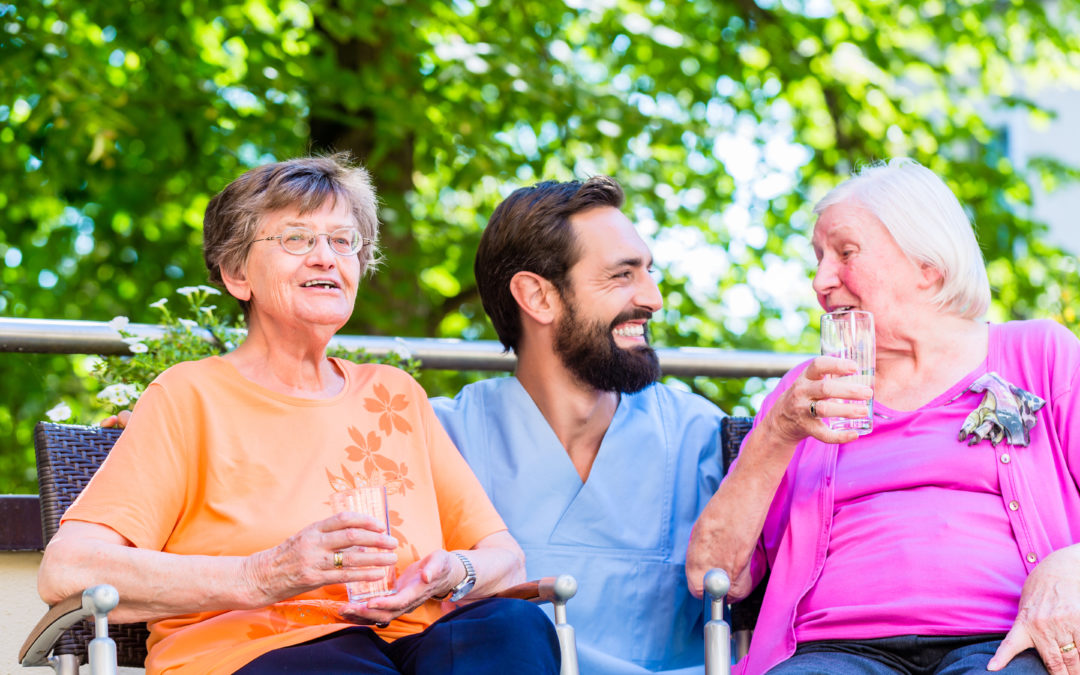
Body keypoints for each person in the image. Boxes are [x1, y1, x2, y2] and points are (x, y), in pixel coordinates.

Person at [37, 155, 559, 675]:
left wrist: (452, 571)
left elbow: (504, 557)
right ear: (238, 273)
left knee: (511, 627)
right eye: (296, 239)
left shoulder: (395, 395)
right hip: (257, 651)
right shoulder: (188, 397)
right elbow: (68, 569)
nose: (325, 258)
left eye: (342, 241)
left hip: (413, 642)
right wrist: (263, 575)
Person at [686, 158, 1080, 675]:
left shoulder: (1039, 354)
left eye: (845, 253)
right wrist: (778, 432)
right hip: (833, 651)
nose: (820, 280)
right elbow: (713, 576)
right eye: (819, 257)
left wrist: (1071, 564)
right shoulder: (803, 395)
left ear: (927, 265)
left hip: (1006, 643)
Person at [431, 176, 727, 674]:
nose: (654, 298)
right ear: (537, 297)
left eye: (649, 271)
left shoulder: (704, 439)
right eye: (622, 276)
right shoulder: (442, 438)